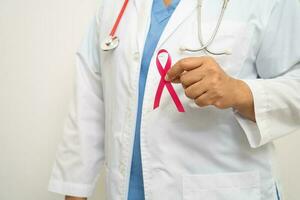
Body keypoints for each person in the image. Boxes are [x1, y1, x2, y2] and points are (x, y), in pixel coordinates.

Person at [48, 0, 300, 199]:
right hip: (128, 190)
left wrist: (238, 91)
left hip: (223, 189)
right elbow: (89, 104)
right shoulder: (115, 6)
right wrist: (75, 191)